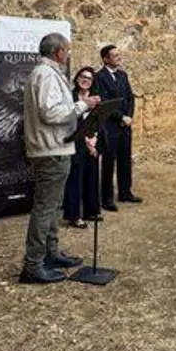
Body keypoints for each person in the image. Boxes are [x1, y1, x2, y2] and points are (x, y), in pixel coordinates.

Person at [20, 33, 100, 284]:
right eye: (67, 50)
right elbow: (51, 113)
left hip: (57, 148)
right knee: (45, 207)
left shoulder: (49, 73)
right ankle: (33, 265)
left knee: (53, 205)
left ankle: (51, 253)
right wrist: (83, 105)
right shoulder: (45, 75)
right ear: (58, 52)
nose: (68, 54)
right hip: (50, 149)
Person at [92, 45, 143, 209]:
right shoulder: (99, 77)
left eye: (119, 55)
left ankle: (125, 192)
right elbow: (104, 102)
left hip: (125, 125)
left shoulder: (123, 75)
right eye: (115, 55)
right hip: (110, 126)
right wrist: (120, 117)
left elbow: (130, 98)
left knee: (125, 159)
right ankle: (107, 199)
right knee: (108, 162)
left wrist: (129, 116)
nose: (119, 58)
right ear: (105, 59)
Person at [63, 67, 102, 229]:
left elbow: (99, 120)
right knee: (75, 179)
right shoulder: (70, 97)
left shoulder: (95, 98)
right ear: (77, 78)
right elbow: (69, 120)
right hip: (75, 142)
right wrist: (87, 141)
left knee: (91, 175)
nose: (86, 80)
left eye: (89, 78)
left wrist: (94, 139)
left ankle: (91, 211)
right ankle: (74, 216)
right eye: (82, 77)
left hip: (92, 141)